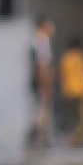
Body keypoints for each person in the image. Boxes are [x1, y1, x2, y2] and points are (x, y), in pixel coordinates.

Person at [60, 37, 83, 147]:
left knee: (78, 118)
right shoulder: (80, 58)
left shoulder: (65, 58)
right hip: (80, 92)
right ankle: (73, 139)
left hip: (69, 92)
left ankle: (76, 141)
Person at [30, 16, 56, 147]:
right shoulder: (41, 40)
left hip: (39, 81)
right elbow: (41, 65)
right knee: (40, 112)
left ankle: (42, 140)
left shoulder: (37, 39)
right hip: (40, 82)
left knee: (42, 111)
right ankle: (35, 140)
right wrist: (45, 84)